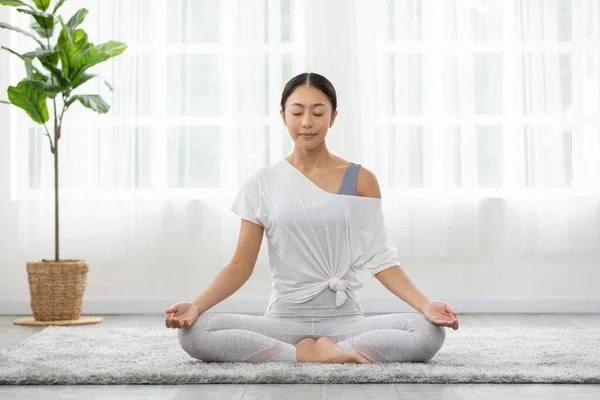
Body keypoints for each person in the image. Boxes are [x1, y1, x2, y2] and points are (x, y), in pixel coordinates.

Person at [165, 72, 459, 364]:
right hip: (283, 321)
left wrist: (425, 305)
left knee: (426, 331)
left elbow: (381, 259)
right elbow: (240, 266)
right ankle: (305, 353)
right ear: (283, 116)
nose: (306, 122)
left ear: (332, 117)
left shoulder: (359, 180)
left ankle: (315, 351)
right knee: (196, 332)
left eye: (318, 113)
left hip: (345, 322)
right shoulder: (262, 183)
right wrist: (196, 305)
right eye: (297, 112)